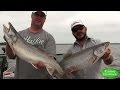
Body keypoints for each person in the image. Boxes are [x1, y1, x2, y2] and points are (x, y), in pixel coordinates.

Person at [5, 11, 56, 79]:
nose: (39, 17)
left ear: (45, 19)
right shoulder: (20, 34)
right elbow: (11, 56)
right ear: (31, 15)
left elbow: (51, 57)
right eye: (37, 14)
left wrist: (46, 64)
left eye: (42, 16)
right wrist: (9, 43)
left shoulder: (49, 37)